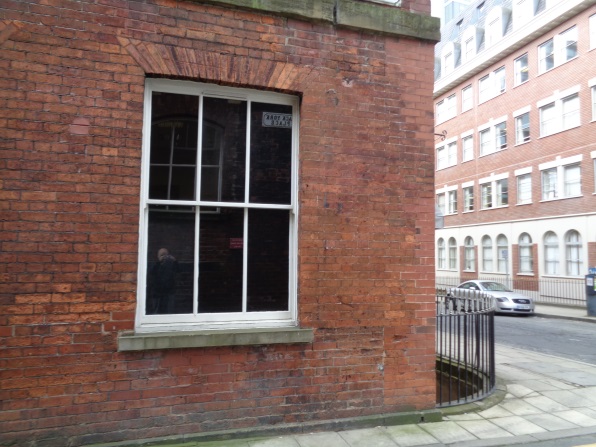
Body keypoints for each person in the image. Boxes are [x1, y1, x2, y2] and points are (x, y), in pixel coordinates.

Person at [147, 248, 178, 314]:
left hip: (169, 291)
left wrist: (174, 261)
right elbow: (151, 273)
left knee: (169, 311)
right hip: (157, 292)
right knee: (156, 310)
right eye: (162, 255)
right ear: (158, 256)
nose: (164, 257)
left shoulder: (171, 264)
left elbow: (178, 270)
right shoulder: (155, 264)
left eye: (166, 255)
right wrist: (159, 262)